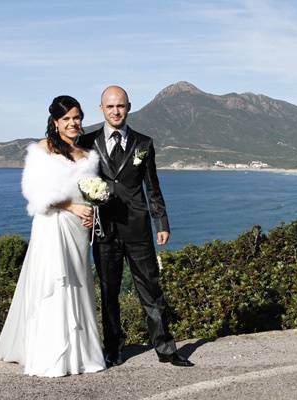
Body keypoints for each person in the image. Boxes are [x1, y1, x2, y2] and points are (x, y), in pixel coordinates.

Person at [76, 85, 193, 367]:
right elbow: (75, 180)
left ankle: (165, 348)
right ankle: (113, 348)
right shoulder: (86, 141)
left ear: (128, 107)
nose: (116, 111)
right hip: (103, 230)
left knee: (150, 289)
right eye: (110, 106)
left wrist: (161, 222)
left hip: (137, 227)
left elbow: (152, 186)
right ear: (101, 109)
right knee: (109, 292)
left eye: (121, 106)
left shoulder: (144, 143)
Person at [0, 95, 106, 377]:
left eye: (76, 117)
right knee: (54, 284)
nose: (72, 123)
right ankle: (52, 357)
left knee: (79, 284)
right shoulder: (42, 150)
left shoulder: (88, 156)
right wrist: (71, 206)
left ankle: (81, 356)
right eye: (66, 119)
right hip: (52, 226)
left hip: (78, 231)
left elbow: (87, 190)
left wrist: (91, 207)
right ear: (55, 122)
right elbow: (34, 192)